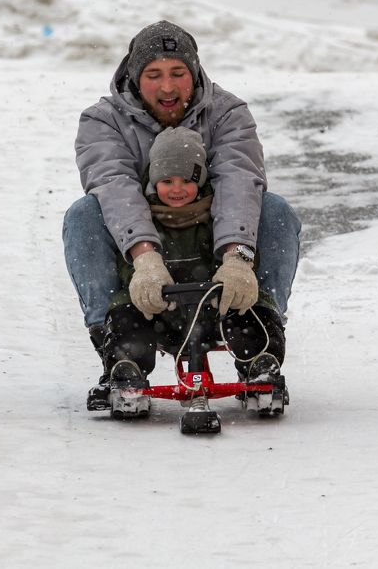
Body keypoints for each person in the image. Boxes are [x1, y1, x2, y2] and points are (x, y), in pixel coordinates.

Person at [62, 20, 301, 400]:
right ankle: (118, 350)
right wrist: (145, 258)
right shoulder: (102, 121)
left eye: (178, 73)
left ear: (195, 72)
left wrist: (237, 258)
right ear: (134, 77)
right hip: (141, 275)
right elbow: (113, 187)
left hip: (215, 261)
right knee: (83, 216)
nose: (168, 87)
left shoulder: (227, 113)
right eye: (154, 74)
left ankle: (261, 347)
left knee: (275, 210)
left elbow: (239, 180)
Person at [88, 127, 287, 414]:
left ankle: (260, 363)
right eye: (167, 181)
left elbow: (240, 246)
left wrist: (232, 272)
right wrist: (141, 279)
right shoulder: (143, 220)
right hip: (159, 311)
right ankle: (126, 368)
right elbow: (127, 259)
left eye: (186, 180)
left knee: (251, 313)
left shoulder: (217, 215)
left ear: (202, 180)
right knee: (127, 320)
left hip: (216, 308)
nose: (177, 189)